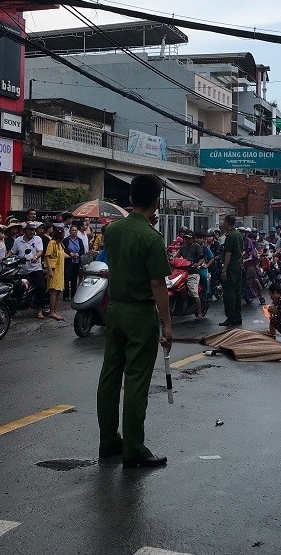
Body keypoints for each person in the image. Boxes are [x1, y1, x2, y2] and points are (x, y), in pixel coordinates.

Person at [96, 174, 172, 469]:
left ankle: (108, 442)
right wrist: (167, 323)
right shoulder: (152, 238)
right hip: (140, 313)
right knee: (137, 381)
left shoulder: (112, 232)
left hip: (114, 310)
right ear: (155, 201)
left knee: (110, 377)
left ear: (130, 200)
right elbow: (157, 284)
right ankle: (134, 448)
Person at [13, 222, 47, 318]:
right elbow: (12, 252)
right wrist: (5, 259)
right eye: (30, 229)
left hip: (35, 269)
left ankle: (40, 309)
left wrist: (35, 257)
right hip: (21, 269)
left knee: (41, 287)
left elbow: (40, 251)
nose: (32, 231)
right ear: (25, 230)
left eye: (33, 229)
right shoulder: (18, 240)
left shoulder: (37, 239)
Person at [218, 215, 244, 327]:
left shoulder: (230, 236)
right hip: (238, 266)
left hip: (231, 267)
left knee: (229, 293)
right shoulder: (238, 234)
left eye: (224, 221)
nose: (223, 223)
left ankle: (231, 317)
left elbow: (228, 254)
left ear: (227, 223)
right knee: (237, 292)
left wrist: (224, 270)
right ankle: (238, 316)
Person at [177, 232, 206, 319]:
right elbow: (176, 256)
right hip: (183, 272)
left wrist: (198, 264)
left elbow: (202, 258)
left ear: (193, 239)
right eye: (185, 238)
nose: (187, 240)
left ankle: (200, 313)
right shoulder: (182, 248)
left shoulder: (197, 247)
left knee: (193, 292)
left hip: (193, 273)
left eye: (189, 238)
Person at [45, 226, 66, 320]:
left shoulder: (60, 244)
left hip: (60, 270)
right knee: (54, 291)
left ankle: (55, 310)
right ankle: (51, 311)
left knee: (58, 291)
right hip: (54, 270)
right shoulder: (52, 243)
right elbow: (47, 256)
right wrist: (49, 270)